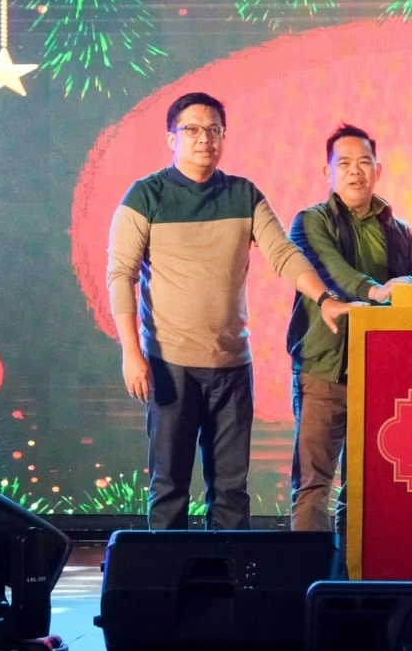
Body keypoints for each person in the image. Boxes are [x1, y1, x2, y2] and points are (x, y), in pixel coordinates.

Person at [107, 92, 350, 531]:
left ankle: (229, 589)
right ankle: (168, 591)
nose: (205, 140)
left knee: (231, 490)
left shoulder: (243, 194)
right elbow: (120, 275)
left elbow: (284, 254)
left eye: (214, 130)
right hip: (169, 366)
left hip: (233, 367)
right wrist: (131, 353)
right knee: (169, 486)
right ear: (171, 139)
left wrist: (325, 298)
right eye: (193, 130)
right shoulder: (146, 196)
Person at [286, 123, 412, 554]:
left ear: (378, 171)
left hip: (380, 378)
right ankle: (307, 586)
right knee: (314, 486)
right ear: (327, 172)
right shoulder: (310, 222)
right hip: (323, 374)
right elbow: (331, 272)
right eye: (343, 163)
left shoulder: (398, 228)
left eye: (364, 162)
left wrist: (406, 291)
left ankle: (355, 581)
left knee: (365, 492)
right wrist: (377, 290)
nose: (355, 172)